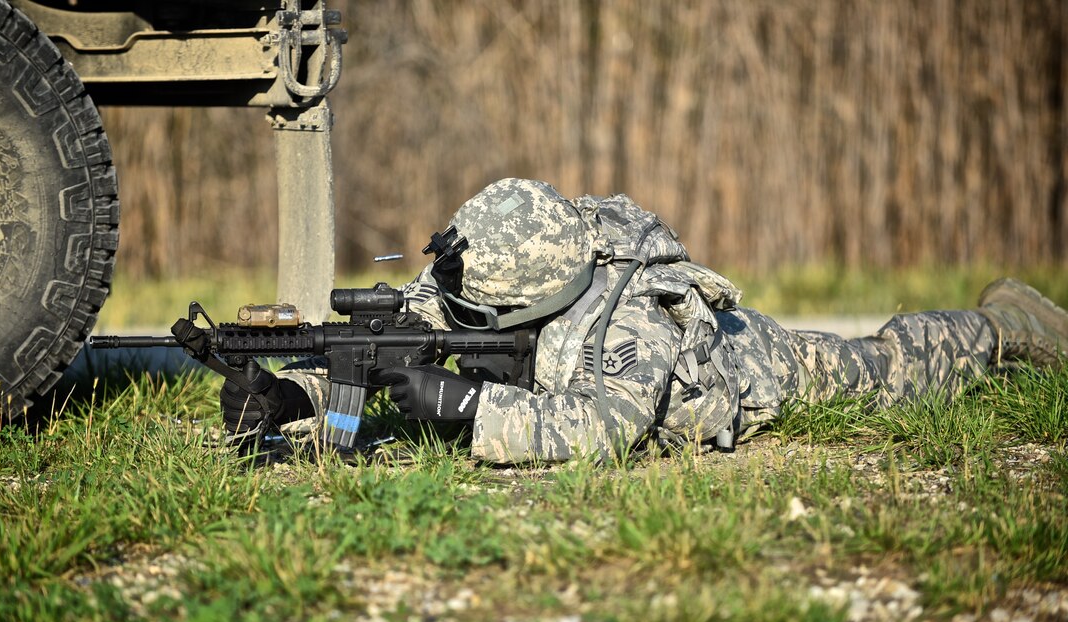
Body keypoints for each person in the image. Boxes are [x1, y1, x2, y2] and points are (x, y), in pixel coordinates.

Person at [221, 178, 1068, 463]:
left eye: (481, 309)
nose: (456, 311)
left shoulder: (636, 311)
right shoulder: (488, 272)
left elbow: (604, 428)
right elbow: (394, 336)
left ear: (537, 299)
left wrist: (472, 409)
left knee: (885, 366)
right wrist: (294, 391)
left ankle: (1003, 325)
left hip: (752, 372)